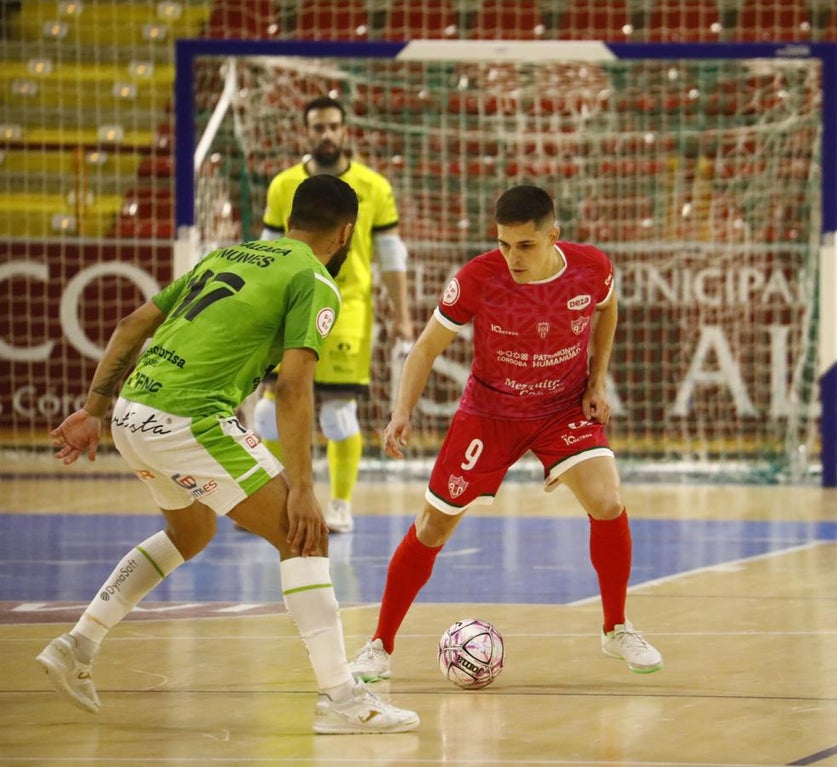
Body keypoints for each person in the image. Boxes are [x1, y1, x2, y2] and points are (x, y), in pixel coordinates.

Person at [35, 175, 420, 735]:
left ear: (291, 217)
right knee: (301, 534)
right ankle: (341, 700)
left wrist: (94, 410)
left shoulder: (228, 254)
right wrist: (305, 490)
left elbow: (131, 325)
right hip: (189, 420)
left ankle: (78, 645)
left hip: (130, 414)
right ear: (347, 233)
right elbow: (292, 388)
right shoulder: (313, 279)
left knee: (190, 535)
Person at [349, 184, 663, 683]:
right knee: (433, 526)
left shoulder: (592, 267)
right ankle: (379, 646)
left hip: (562, 407)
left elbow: (608, 310)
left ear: (552, 236)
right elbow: (426, 348)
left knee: (607, 500)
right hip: (489, 413)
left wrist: (596, 381)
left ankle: (616, 627)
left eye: (524, 246)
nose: (511, 256)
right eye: (503, 243)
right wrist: (400, 411)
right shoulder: (478, 277)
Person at [253, 95, 415, 534]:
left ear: (345, 131)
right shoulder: (283, 185)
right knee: (267, 412)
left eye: (333, 127)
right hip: (288, 304)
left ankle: (341, 505)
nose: (326, 134)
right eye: (318, 127)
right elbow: (267, 251)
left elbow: (390, 254)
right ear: (307, 132)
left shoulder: (373, 186)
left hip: (348, 308)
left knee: (339, 413)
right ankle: (277, 499)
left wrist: (402, 314)